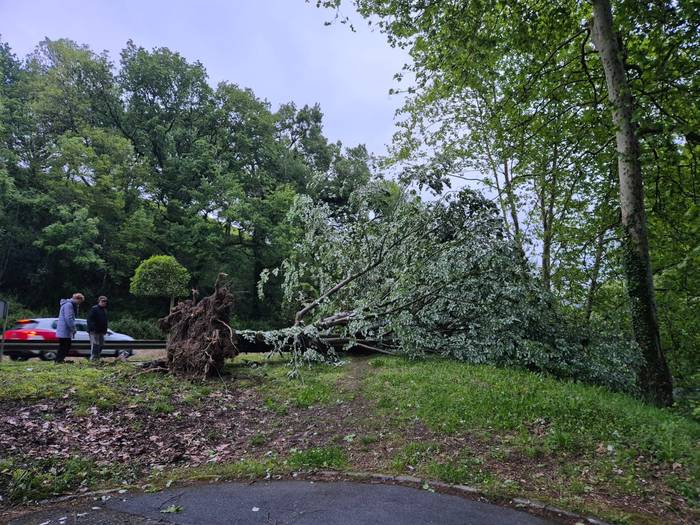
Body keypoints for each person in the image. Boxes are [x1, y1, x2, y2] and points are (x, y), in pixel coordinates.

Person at [55, 292, 84, 363]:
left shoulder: (68, 304)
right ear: (77, 299)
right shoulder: (69, 305)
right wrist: (73, 328)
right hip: (65, 329)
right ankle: (59, 360)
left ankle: (59, 360)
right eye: (80, 302)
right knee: (65, 345)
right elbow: (69, 318)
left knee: (64, 345)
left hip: (64, 329)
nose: (79, 304)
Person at [87, 296, 108, 361]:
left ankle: (97, 358)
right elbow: (90, 320)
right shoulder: (94, 308)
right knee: (95, 344)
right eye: (102, 301)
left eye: (105, 301)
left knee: (101, 344)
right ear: (99, 301)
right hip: (94, 331)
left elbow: (105, 321)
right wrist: (93, 329)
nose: (104, 302)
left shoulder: (104, 310)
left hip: (101, 331)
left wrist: (105, 330)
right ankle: (93, 358)